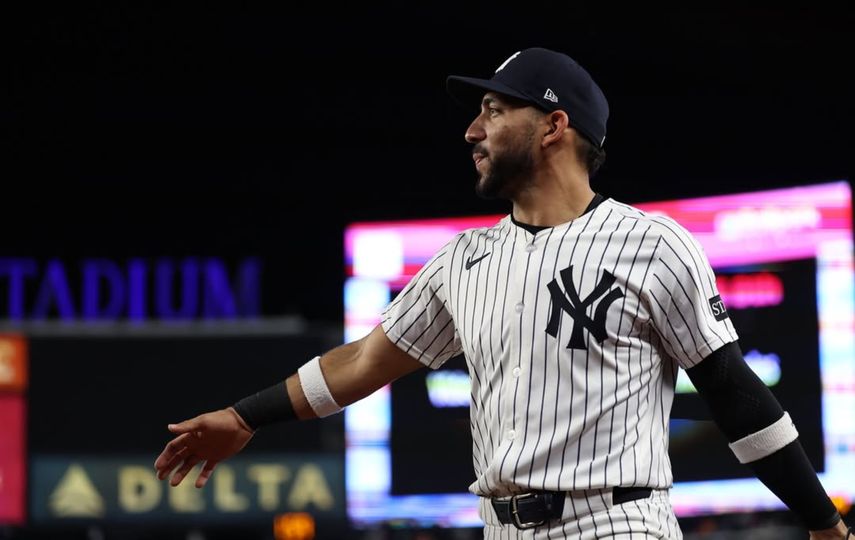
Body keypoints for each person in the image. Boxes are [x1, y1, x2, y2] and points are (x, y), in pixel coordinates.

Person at [155, 47, 851, 539]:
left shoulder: (653, 243)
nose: (471, 130)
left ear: (553, 126)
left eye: (493, 110)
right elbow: (364, 362)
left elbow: (733, 392)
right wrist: (246, 417)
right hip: (499, 528)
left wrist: (821, 522)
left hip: (617, 523)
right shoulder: (464, 259)